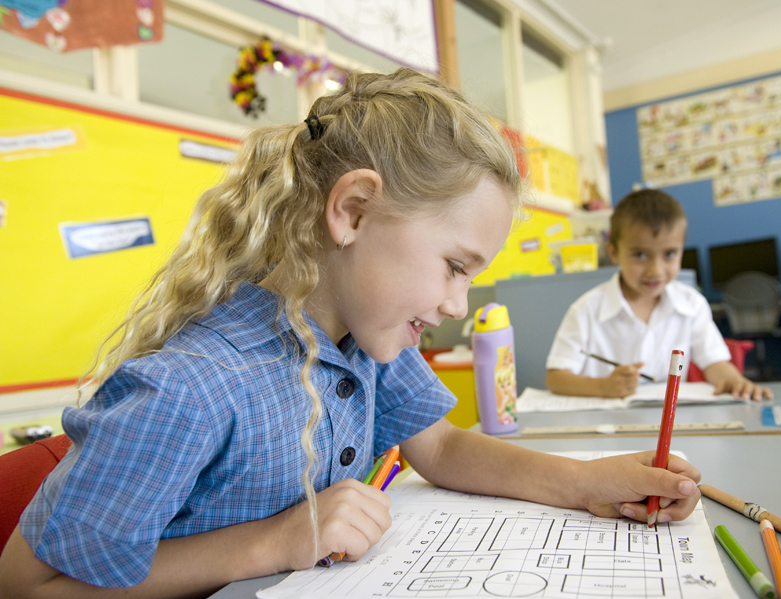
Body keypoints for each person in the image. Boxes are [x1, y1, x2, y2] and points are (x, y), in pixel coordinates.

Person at [0, 70, 702, 599]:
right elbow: (25, 583)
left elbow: (444, 447)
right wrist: (273, 541)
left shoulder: (362, 342)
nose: (458, 303)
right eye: (455, 266)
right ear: (354, 210)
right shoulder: (191, 388)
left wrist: (586, 484)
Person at [546, 189, 772, 401]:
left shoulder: (692, 304)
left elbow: (714, 363)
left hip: (668, 426)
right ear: (614, 252)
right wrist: (603, 387)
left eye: (670, 254)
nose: (656, 270)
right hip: (603, 429)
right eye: (640, 255)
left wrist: (735, 381)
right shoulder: (586, 309)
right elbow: (555, 378)